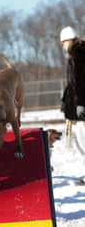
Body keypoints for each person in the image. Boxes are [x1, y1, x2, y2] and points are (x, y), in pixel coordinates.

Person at [60, 26, 85, 185]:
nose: (62, 45)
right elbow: (72, 84)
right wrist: (65, 99)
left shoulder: (79, 56)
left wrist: (81, 103)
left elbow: (81, 83)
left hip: (82, 108)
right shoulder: (76, 55)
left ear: (71, 40)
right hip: (78, 105)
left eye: (64, 42)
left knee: (83, 142)